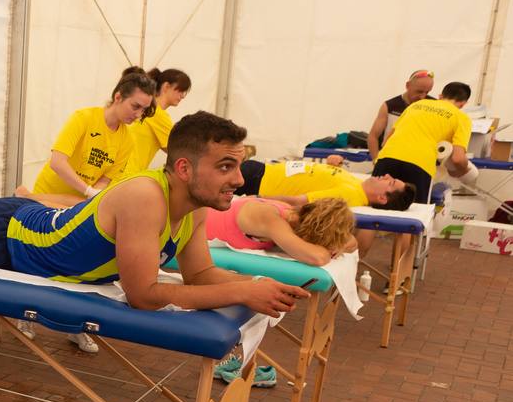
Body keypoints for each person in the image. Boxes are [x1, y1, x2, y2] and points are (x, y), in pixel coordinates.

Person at [0, 111, 309, 318]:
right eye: (226, 166)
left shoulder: (193, 208)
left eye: (238, 165)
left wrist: (262, 290)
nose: (239, 179)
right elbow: (144, 295)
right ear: (184, 168)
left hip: (28, 220)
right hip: (1, 236)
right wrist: (244, 290)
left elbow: (200, 272)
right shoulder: (147, 196)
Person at [22, 69, 155, 200]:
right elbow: (57, 162)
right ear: (118, 97)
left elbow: (105, 179)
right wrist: (88, 190)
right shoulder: (84, 118)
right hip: (46, 195)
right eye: (135, 106)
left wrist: (93, 194)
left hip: (75, 206)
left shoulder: (127, 141)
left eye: (143, 110)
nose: (138, 115)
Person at [373, 81, 478, 204]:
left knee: (374, 206)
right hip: (420, 165)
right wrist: (462, 171)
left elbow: (387, 140)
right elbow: (458, 159)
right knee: (415, 214)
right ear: (463, 103)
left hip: (387, 157)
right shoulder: (462, 118)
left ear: (441, 96)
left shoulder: (416, 105)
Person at [204, 196, 357, 265]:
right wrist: (328, 247)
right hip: (188, 225)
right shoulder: (271, 217)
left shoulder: (293, 215)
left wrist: (339, 245)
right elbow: (317, 258)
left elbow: (353, 242)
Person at [237, 157, 415, 210]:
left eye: (390, 182)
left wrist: (258, 198)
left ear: (382, 198)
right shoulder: (357, 184)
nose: (386, 175)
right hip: (264, 170)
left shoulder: (349, 196)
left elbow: (300, 201)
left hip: (258, 180)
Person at [124, 67, 190, 174]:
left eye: (185, 92)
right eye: (180, 90)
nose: (182, 96)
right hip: (127, 174)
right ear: (166, 86)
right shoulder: (157, 114)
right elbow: (177, 149)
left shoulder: (148, 109)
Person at [367, 69, 435, 160]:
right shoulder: (390, 106)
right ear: (408, 86)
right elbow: (373, 136)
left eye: (427, 92)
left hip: (418, 161)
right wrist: (376, 160)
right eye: (419, 91)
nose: (422, 97)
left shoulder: (434, 106)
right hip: (390, 158)